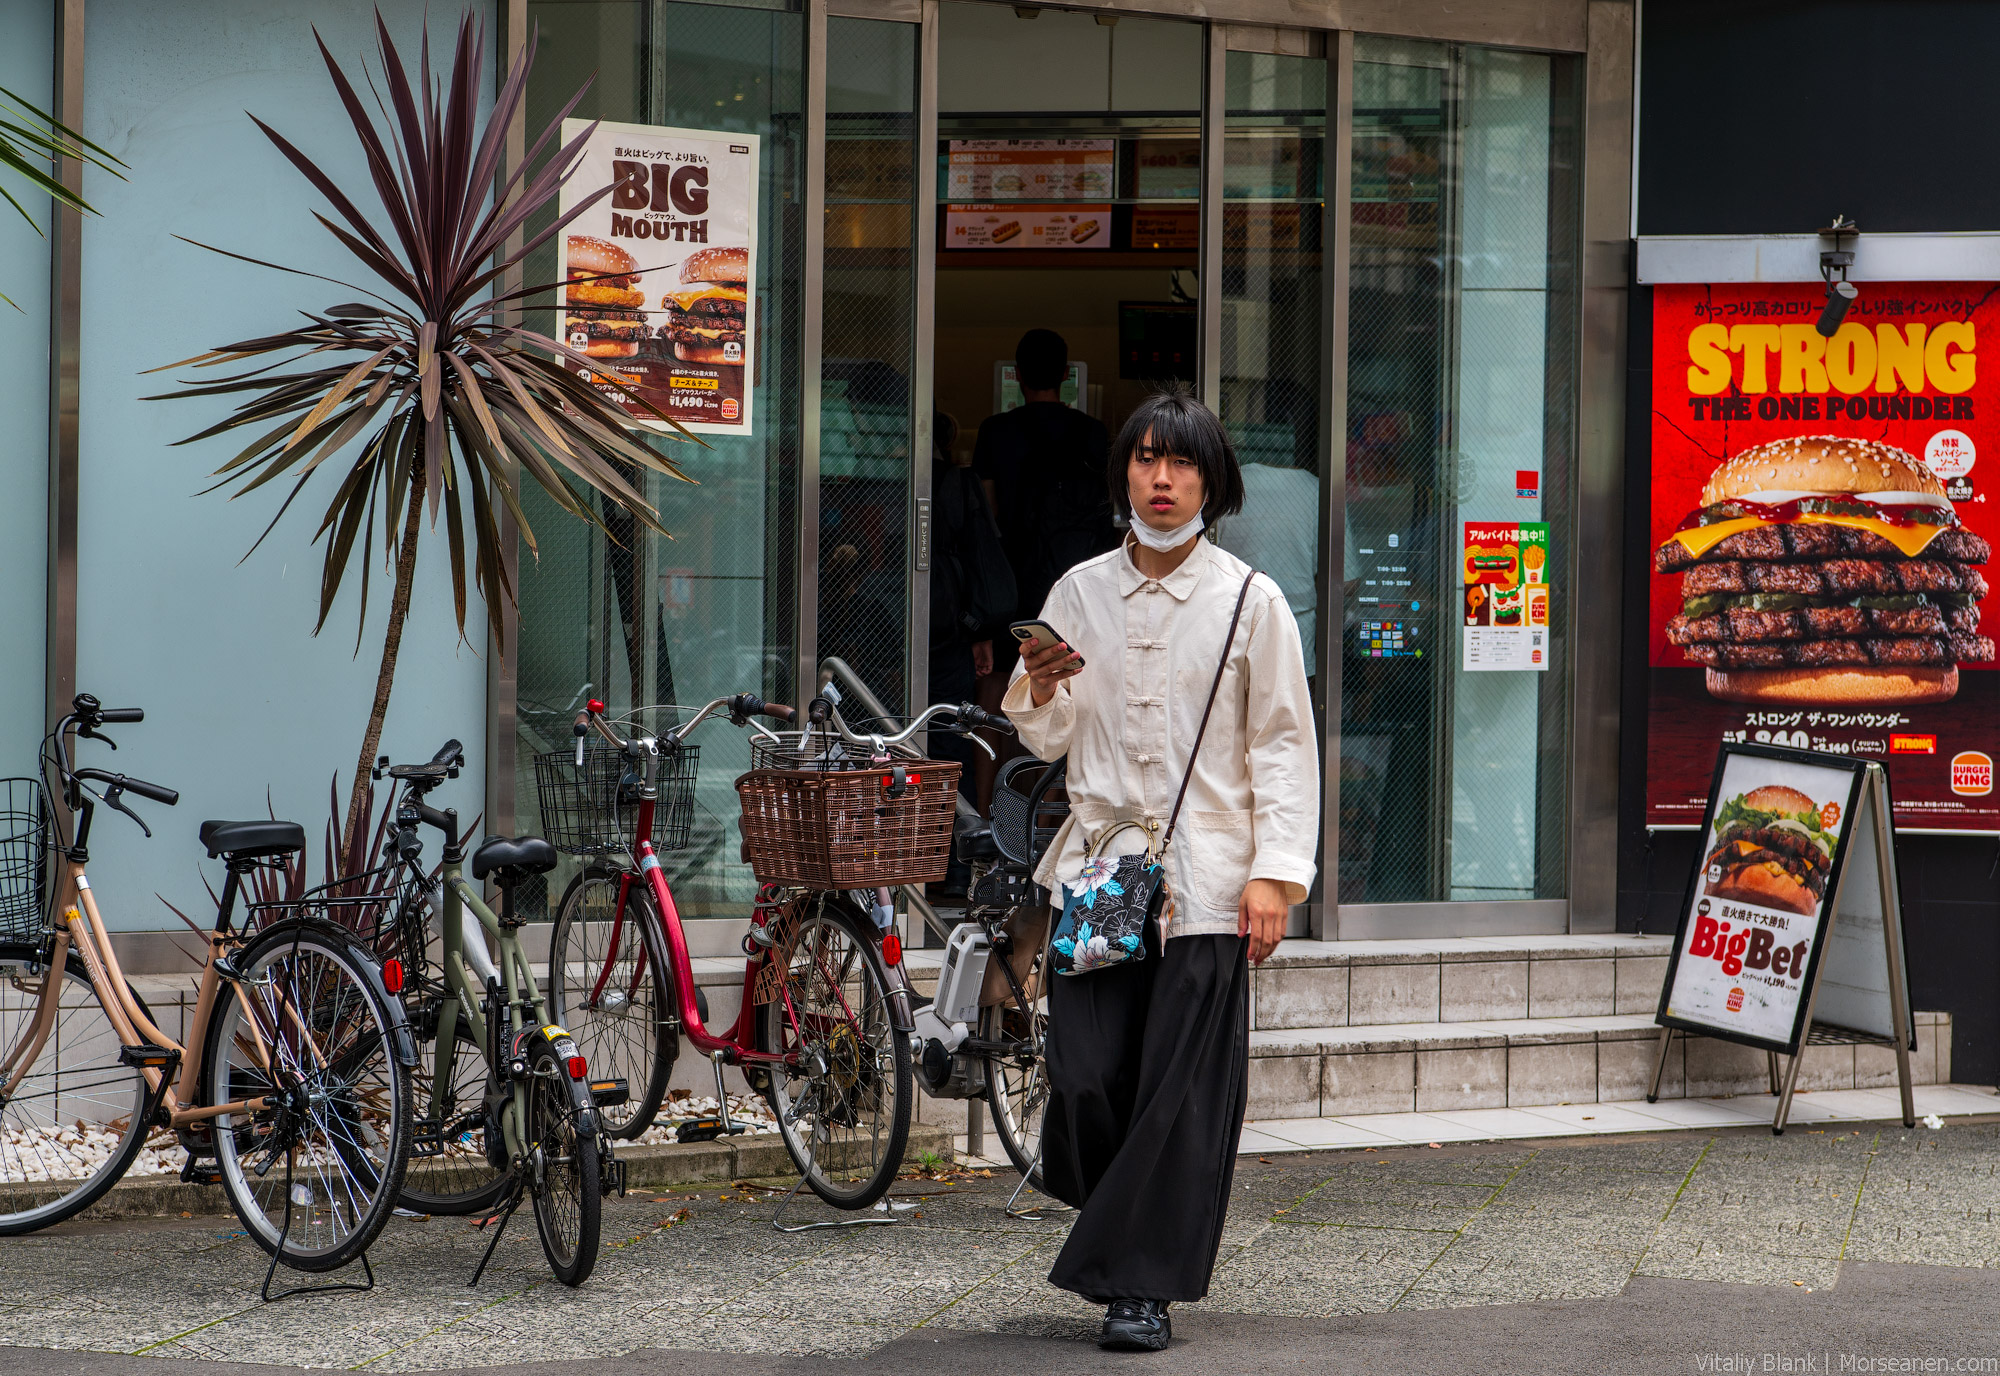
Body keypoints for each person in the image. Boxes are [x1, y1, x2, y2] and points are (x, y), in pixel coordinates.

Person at [1003, 391, 1318, 1352]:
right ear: (1125, 474)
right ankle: (1123, 1219)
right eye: (1145, 460)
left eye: (1181, 464)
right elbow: (1047, 732)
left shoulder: (1250, 600)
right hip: (1100, 873)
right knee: (1088, 1077)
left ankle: (1139, 1288)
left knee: (1176, 1094)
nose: (1162, 479)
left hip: (1213, 880)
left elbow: (1282, 745)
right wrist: (1042, 684)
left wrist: (1275, 875)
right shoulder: (1079, 591)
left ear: (1213, 483)